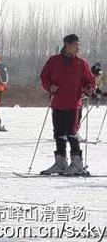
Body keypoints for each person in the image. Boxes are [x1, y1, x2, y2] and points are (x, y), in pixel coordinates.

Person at [40, 34, 95, 176]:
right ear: (67, 45)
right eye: (76, 45)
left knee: (72, 133)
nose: (78, 48)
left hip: (73, 103)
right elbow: (44, 77)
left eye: (78, 44)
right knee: (58, 133)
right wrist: (49, 86)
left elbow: (90, 80)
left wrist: (89, 88)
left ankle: (77, 163)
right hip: (57, 102)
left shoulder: (81, 63)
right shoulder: (53, 61)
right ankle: (60, 162)